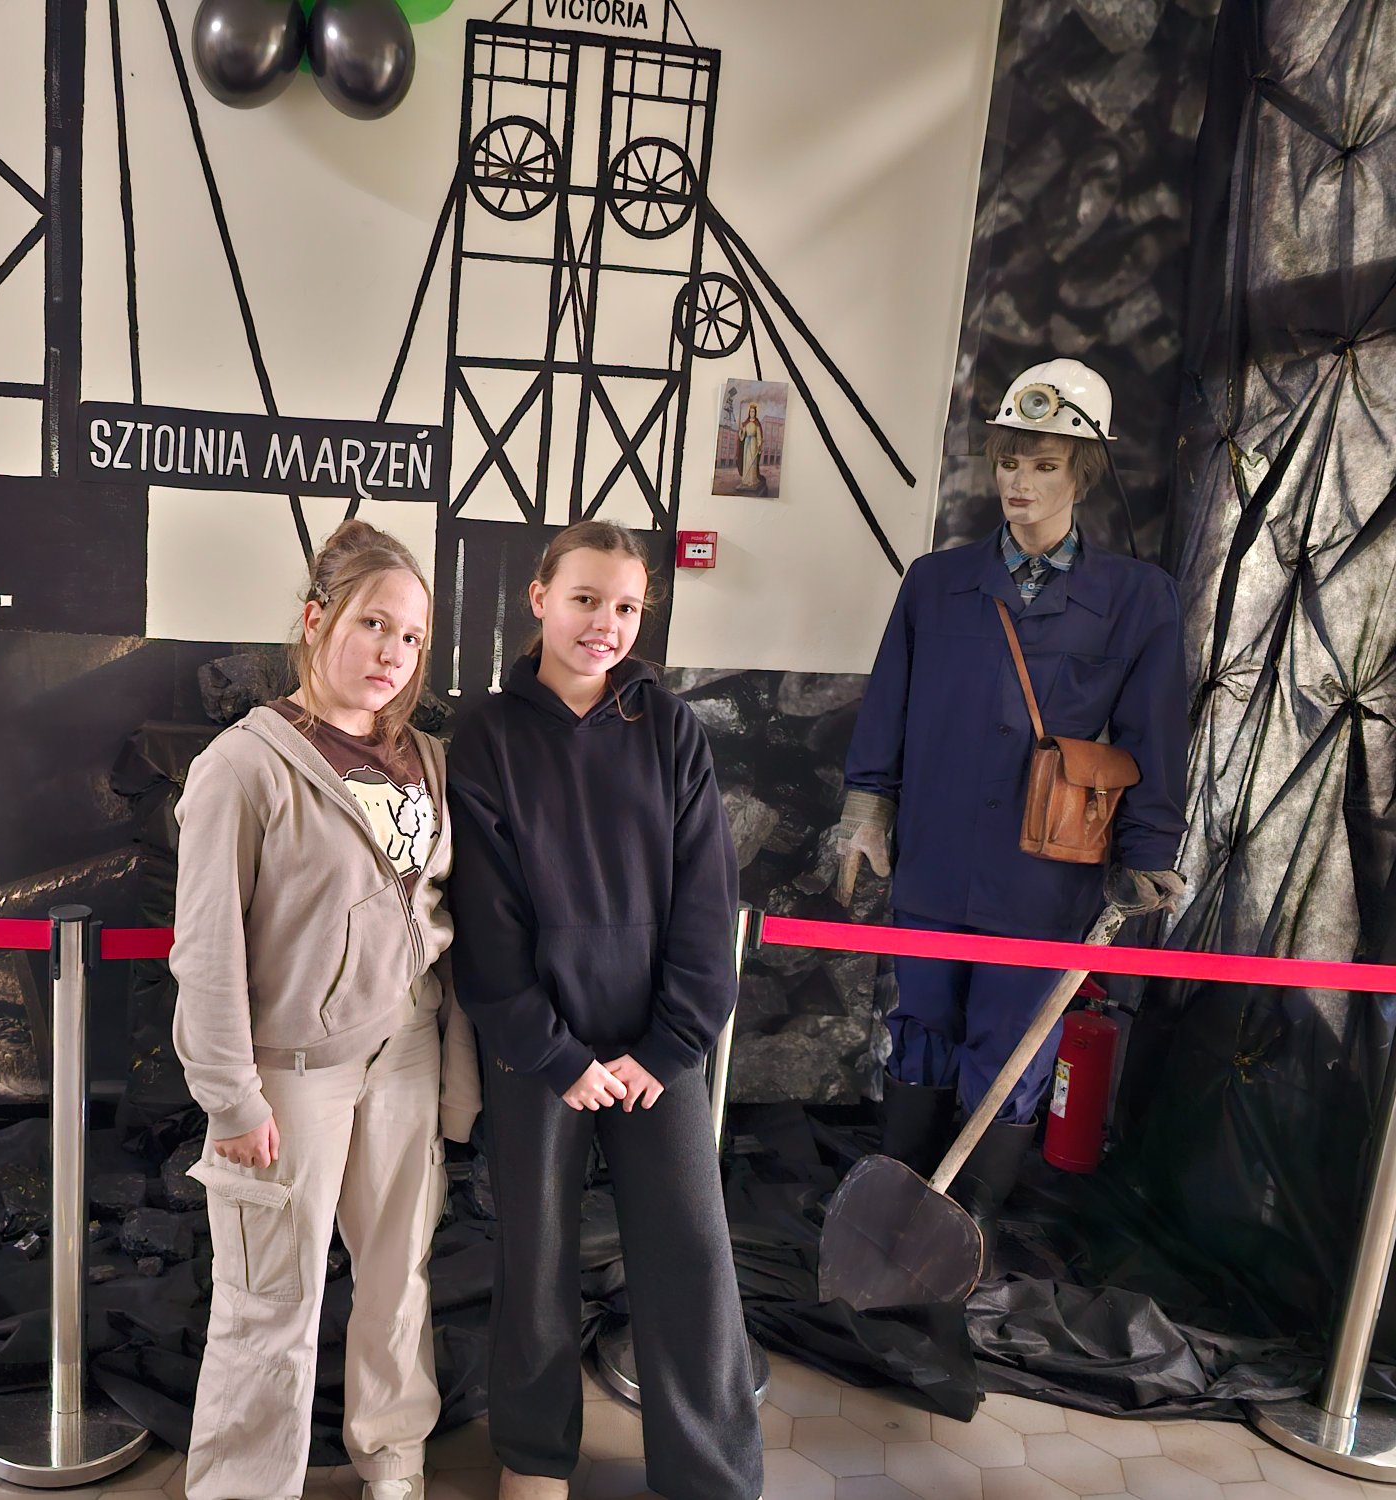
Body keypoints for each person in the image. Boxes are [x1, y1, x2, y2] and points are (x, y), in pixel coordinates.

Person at [445, 521, 764, 1500]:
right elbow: (486, 918)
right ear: (539, 597)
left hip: (655, 1052)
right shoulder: (485, 734)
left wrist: (668, 1045)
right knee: (534, 1260)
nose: (605, 624)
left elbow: (705, 900)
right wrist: (552, 1054)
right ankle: (533, 1456)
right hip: (540, 1055)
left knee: (690, 1259)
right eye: (585, 599)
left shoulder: (670, 730)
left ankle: (709, 1473)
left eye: (625, 606)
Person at [833, 357, 1186, 1236]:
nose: (1019, 483)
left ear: (1083, 474)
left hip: (1047, 868)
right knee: (920, 1020)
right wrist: (867, 807)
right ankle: (896, 1208)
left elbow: (1152, 733)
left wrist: (1148, 852)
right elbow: (890, 701)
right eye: (1008, 461)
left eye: (1045, 464)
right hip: (936, 849)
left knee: (1013, 1041)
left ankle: (967, 1223)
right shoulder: (936, 582)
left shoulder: (1136, 598)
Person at [170, 520, 480, 1500]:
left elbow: (436, 916)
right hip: (291, 1074)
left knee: (398, 1279)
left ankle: (394, 1461)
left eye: (412, 636)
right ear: (316, 621)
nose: (393, 652)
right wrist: (231, 1097)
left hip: (405, 1052)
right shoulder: (243, 766)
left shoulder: (428, 760)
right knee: (268, 1298)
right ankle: (243, 1488)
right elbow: (207, 948)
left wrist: (453, 1070)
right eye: (373, 624)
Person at [739, 401, 764, 491]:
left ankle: (752, 480)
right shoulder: (746, 423)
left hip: (753, 443)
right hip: (746, 443)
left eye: (753, 412)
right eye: (750, 412)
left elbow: (759, 436)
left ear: (755, 413)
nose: (751, 413)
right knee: (746, 461)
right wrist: (741, 431)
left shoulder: (757, 423)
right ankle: (746, 480)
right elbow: (742, 437)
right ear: (749, 413)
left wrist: (759, 444)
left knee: (752, 462)